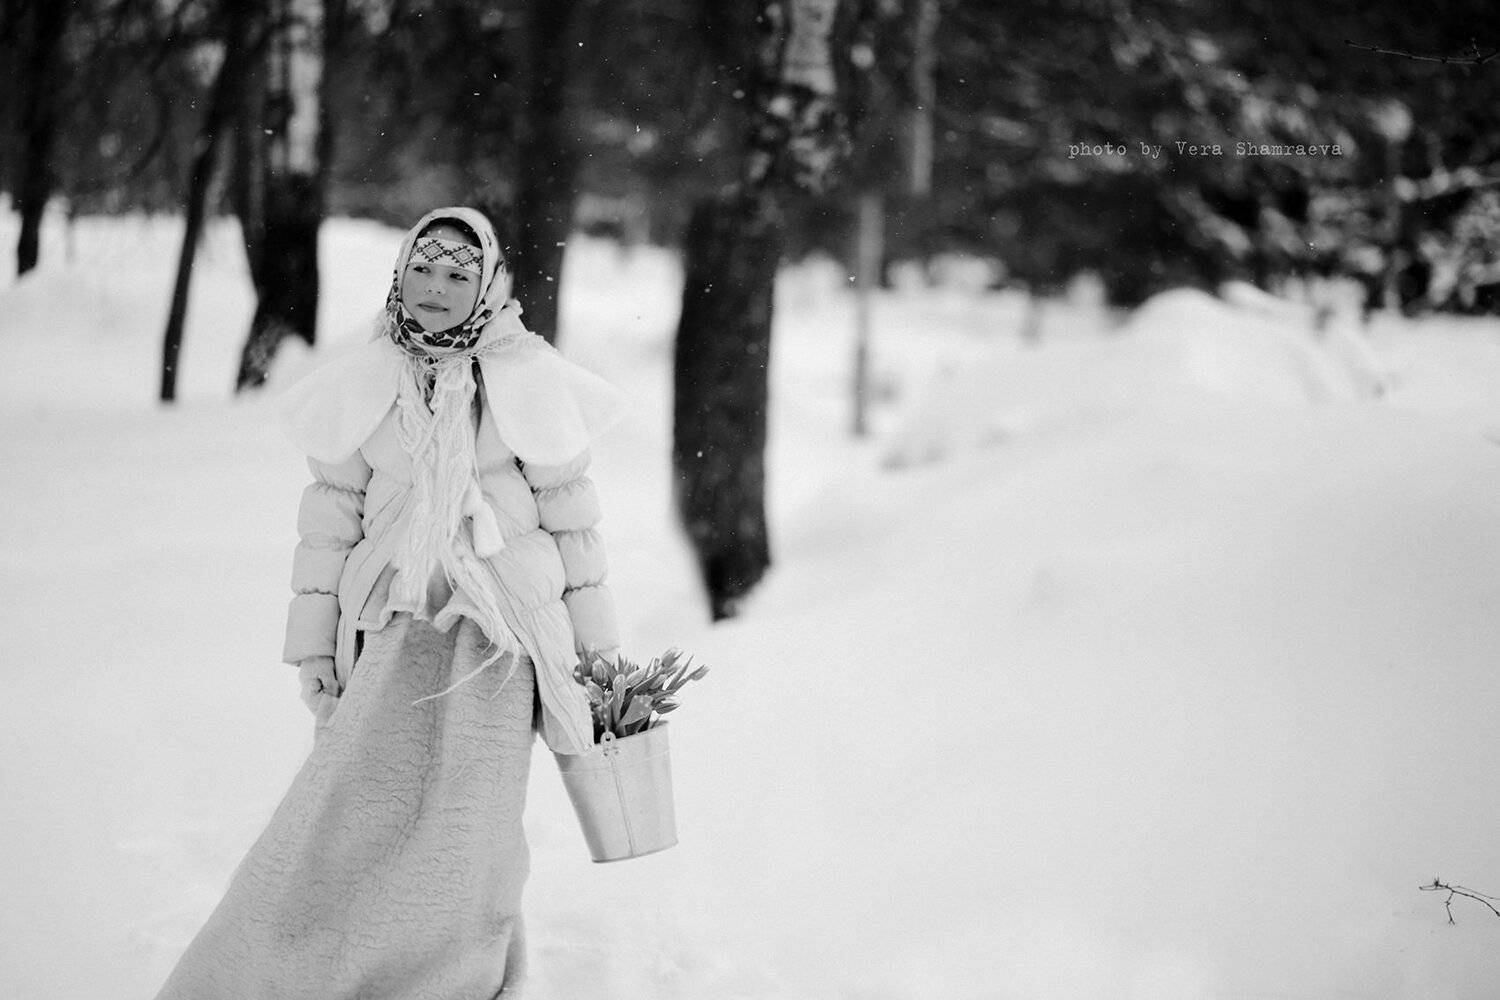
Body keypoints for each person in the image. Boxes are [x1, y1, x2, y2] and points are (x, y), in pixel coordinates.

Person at [153, 206, 625, 999]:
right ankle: (308, 961)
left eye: (457, 274)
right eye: (422, 269)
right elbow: (325, 536)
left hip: (498, 642)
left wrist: (600, 659)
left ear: (488, 284)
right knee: (348, 820)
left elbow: (577, 537)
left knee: (468, 833)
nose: (435, 288)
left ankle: (450, 978)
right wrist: (312, 650)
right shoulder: (366, 380)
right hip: (389, 637)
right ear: (398, 274)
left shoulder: (528, 380)